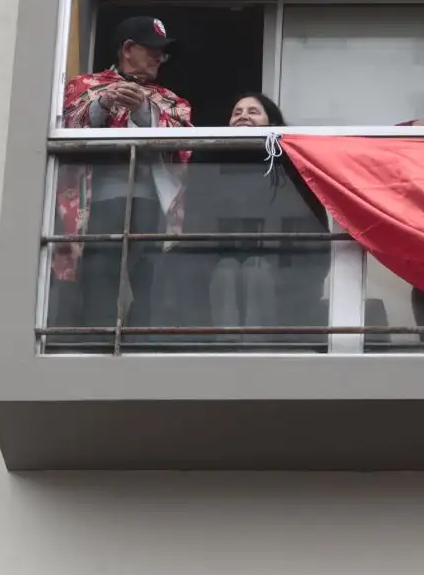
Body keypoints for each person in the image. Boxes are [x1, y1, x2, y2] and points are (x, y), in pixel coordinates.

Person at [53, 17, 193, 340]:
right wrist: (103, 103)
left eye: (163, 52)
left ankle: (139, 349)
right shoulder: (85, 86)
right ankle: (97, 347)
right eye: (153, 49)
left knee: (146, 281)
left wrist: (145, 112)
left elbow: (185, 148)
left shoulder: (171, 100)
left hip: (149, 204)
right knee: (98, 277)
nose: (160, 57)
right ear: (128, 49)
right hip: (95, 204)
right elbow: (66, 131)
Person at [185, 93, 330, 347]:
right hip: (220, 259)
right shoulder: (207, 161)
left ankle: (256, 346)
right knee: (227, 270)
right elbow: (195, 221)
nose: (243, 116)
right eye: (237, 112)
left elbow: (312, 223)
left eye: (253, 112)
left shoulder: (292, 164)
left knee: (256, 269)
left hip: (281, 260)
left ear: (272, 124)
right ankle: (228, 346)